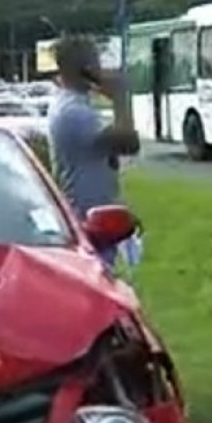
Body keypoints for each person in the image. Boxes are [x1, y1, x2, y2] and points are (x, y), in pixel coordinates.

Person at [46, 35, 140, 267]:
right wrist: (120, 99)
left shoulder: (74, 105)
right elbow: (129, 143)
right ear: (85, 68)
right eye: (95, 63)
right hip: (87, 218)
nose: (101, 69)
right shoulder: (73, 112)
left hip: (94, 216)